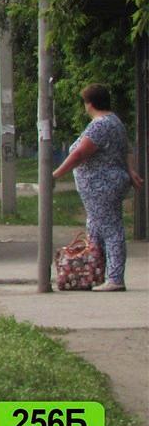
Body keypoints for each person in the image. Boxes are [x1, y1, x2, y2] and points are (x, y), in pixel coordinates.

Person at [52, 83, 144, 292]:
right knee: (95, 229)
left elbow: (80, 154)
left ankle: (115, 278)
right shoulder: (115, 122)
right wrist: (131, 171)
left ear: (89, 103)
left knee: (111, 229)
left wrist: (56, 174)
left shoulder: (100, 125)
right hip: (108, 183)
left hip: (101, 185)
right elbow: (127, 149)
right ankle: (93, 272)